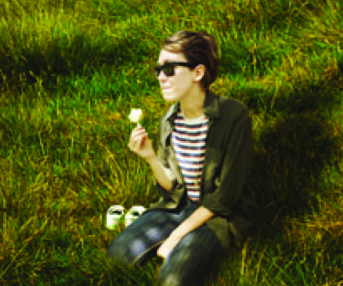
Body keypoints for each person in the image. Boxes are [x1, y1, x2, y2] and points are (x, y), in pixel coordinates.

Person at [107, 30, 254, 285]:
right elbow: (171, 189)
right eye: (158, 70)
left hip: (219, 217)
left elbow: (225, 198)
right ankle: (165, 235)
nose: (161, 77)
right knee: (118, 255)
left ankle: (180, 242)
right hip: (181, 208)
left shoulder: (233, 116)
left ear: (198, 73)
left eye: (170, 69)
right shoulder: (169, 120)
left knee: (173, 279)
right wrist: (151, 156)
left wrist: (176, 236)